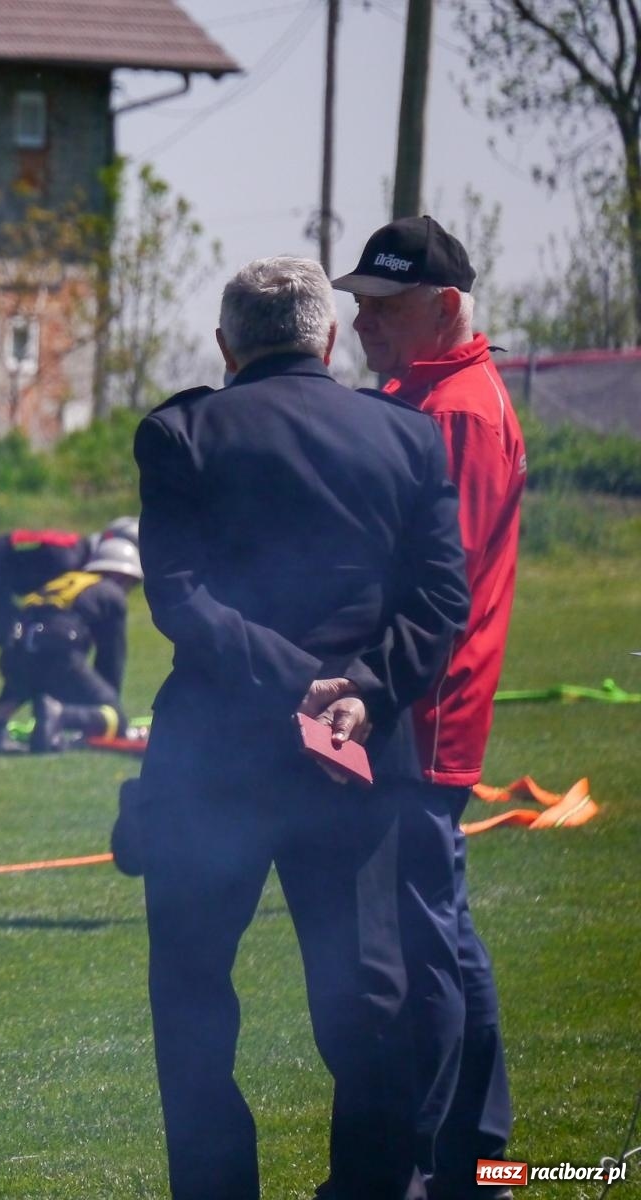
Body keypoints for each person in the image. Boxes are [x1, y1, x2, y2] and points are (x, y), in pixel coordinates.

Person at [134, 257, 470, 1200]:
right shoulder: (405, 436)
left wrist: (297, 684)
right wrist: (356, 689)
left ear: (225, 345)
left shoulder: (180, 431)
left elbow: (180, 598)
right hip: (355, 756)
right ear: (327, 339)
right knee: (367, 1001)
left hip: (217, 758)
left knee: (195, 999)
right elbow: (444, 597)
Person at [333, 215, 525, 1199]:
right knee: (437, 925)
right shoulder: (422, 394)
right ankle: (476, 1150)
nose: (361, 321)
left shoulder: (453, 412)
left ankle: (461, 1156)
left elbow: (424, 592)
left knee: (428, 938)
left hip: (422, 712)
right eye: (356, 303)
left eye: (383, 305)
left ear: (444, 307)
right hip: (409, 706)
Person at [0, 521, 134, 749]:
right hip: (54, 650)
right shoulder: (106, 589)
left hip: (15, 648)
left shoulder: (63, 579)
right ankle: (59, 715)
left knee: (31, 662)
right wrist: (107, 704)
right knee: (111, 716)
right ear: (123, 574)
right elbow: (111, 655)